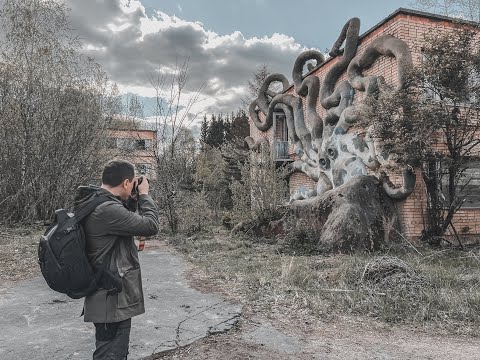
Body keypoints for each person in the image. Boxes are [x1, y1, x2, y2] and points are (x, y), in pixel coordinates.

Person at [73, 159, 159, 360]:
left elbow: (122, 222)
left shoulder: (95, 202)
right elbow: (150, 225)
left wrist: (132, 201)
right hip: (110, 298)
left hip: (105, 294)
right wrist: (145, 195)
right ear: (127, 182)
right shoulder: (107, 210)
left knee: (113, 351)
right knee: (111, 354)